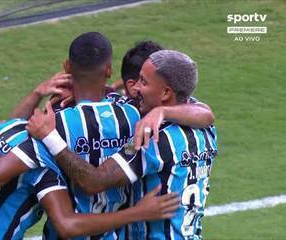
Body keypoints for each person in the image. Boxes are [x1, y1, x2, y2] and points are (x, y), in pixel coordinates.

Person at [0, 33, 179, 240]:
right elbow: (202, 113)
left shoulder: (50, 129)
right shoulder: (132, 115)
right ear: (108, 70)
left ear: (67, 68)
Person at [27, 50, 218, 239]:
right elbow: (205, 112)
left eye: (144, 82)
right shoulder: (206, 129)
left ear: (166, 93)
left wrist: (49, 136)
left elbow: (94, 181)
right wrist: (163, 112)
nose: (136, 89)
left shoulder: (153, 139)